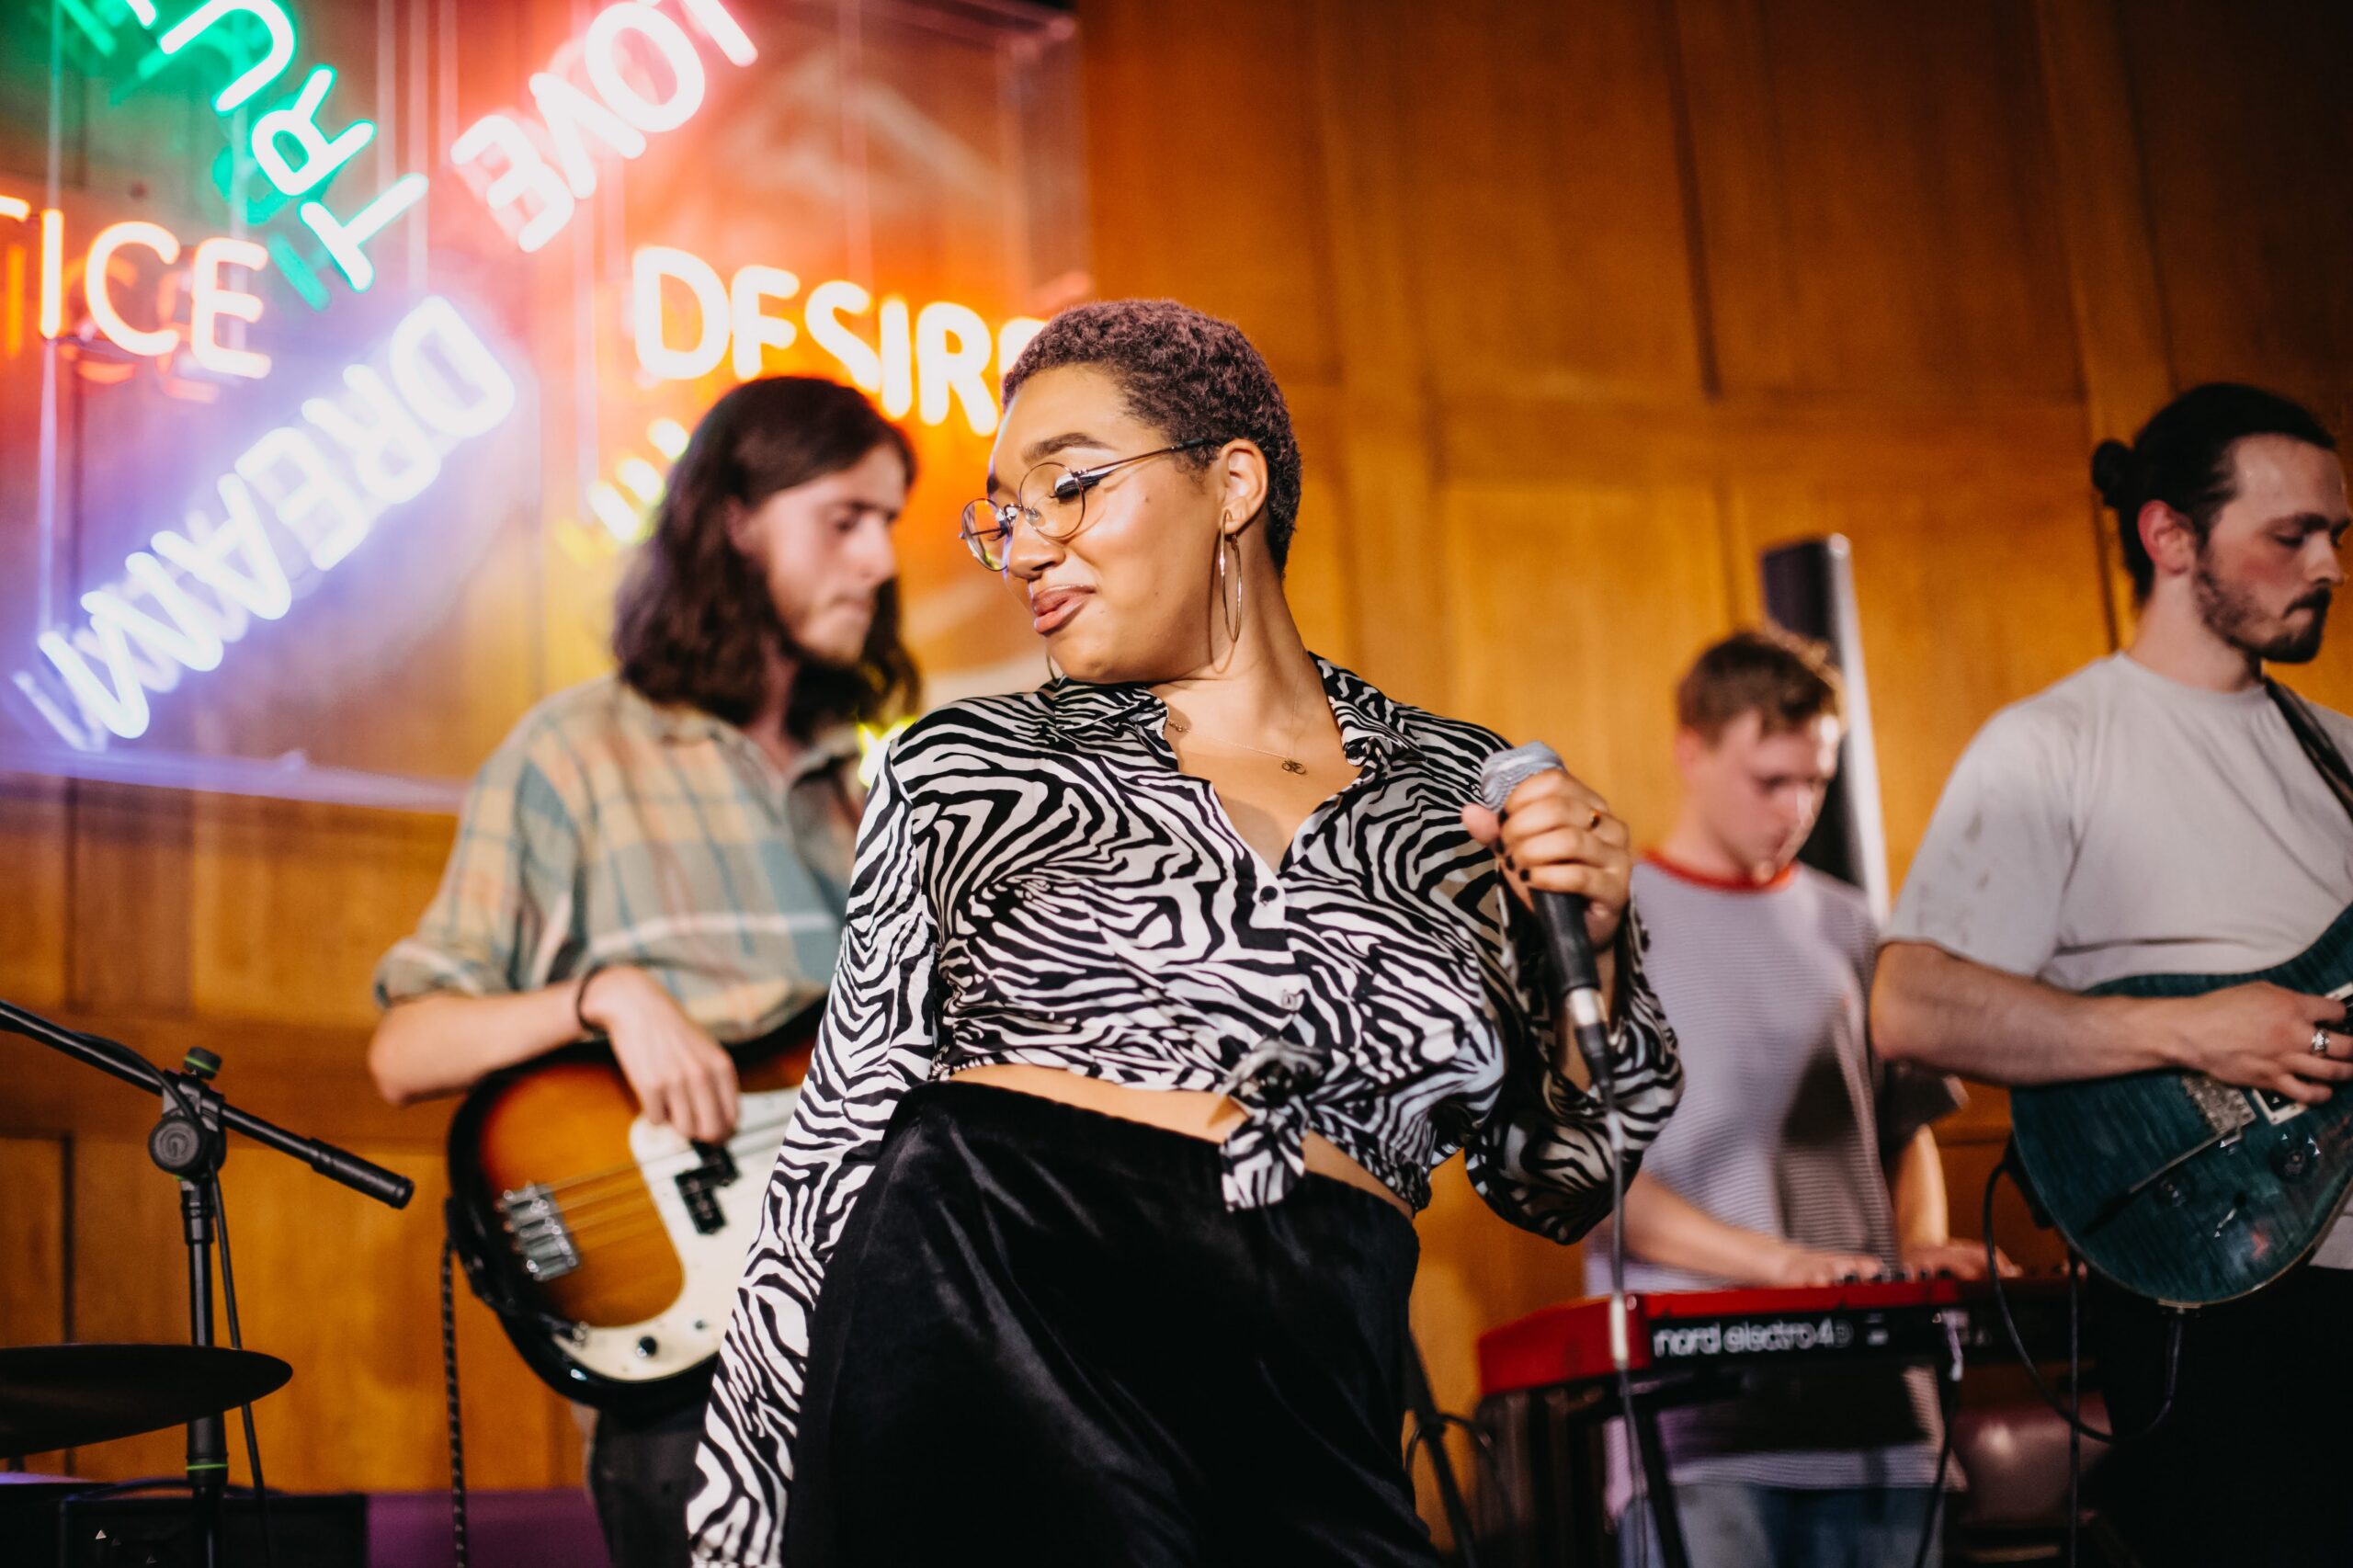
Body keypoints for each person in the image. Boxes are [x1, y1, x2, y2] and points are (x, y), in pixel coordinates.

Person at [684, 299, 1684, 1568]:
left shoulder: (1458, 789)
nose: (1026, 549)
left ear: (1233, 484)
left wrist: (1595, 944)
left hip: (1318, 1372)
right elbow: (833, 1152)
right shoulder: (968, 765)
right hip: (991, 1303)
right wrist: (739, 1537)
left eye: (1069, 488)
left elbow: (1560, 1180)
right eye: (1006, 515)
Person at [368, 377, 919, 1568]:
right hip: (698, 1388)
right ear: (736, 521)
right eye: (844, 519)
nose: (879, 561)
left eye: (888, 522)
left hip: (884, 1343)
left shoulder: (861, 792)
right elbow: (405, 1048)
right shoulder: (574, 751)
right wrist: (606, 995)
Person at [1871, 382, 2353, 1568]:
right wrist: (2193, 1032)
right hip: (2225, 1291)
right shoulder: (2053, 747)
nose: (2328, 565)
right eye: (2290, 534)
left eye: (2337, 534)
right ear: (2170, 536)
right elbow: (1907, 1004)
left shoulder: (2339, 752)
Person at [1602, 627, 2000, 1568]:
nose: (1795, 808)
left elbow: (1904, 1125)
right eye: (1769, 780)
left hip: (1882, 1414)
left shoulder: (1850, 922)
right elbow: (1592, 1182)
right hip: (1703, 1424)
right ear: (1692, 750)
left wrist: (1915, 1247)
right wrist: (1783, 1265)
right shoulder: (1610, 924)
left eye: (1814, 781)